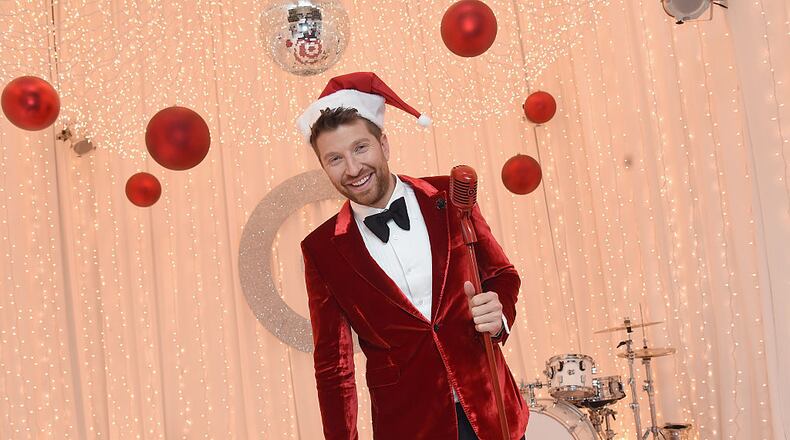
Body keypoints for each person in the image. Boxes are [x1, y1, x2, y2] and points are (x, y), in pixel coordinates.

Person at [298, 72, 529, 440]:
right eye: (335, 159)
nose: (353, 169)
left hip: (491, 411)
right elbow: (333, 366)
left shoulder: (450, 196)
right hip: (408, 426)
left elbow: (502, 274)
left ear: (384, 144)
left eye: (360, 148)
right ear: (324, 167)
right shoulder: (321, 249)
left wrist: (499, 312)